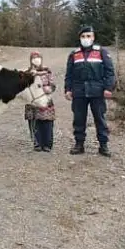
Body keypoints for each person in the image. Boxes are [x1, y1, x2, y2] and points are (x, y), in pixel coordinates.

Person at [64, 25, 116, 157]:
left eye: (88, 36)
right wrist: (68, 89)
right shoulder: (74, 54)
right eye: (83, 36)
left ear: (93, 37)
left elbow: (110, 72)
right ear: (79, 38)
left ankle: (103, 145)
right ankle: (79, 144)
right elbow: (69, 74)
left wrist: (108, 88)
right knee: (79, 119)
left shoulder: (101, 52)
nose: (86, 39)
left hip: (97, 91)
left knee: (100, 118)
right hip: (79, 91)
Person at [24, 51, 56, 152]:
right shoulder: (27, 72)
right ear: (30, 60)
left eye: (38, 57)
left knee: (47, 123)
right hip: (32, 102)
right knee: (34, 122)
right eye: (33, 57)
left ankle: (47, 144)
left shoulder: (47, 71)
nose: (36, 59)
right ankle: (37, 144)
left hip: (45, 100)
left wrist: (49, 89)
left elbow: (53, 84)